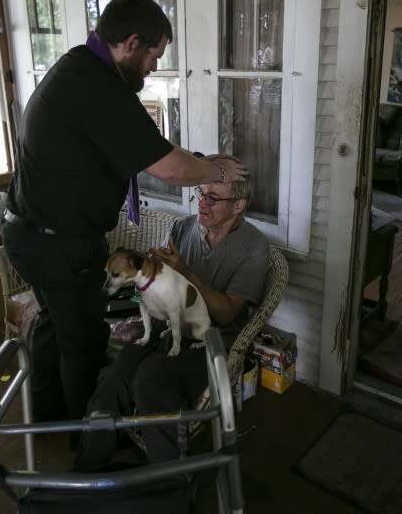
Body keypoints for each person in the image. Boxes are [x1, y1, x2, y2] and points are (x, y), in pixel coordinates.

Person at [0, 0, 248, 427]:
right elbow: (169, 168)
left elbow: (156, 148)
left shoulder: (82, 69)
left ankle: (46, 415)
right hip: (57, 243)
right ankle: (85, 440)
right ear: (131, 43)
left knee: (54, 328)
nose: (154, 68)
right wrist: (217, 171)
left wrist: (202, 161)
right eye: (154, 55)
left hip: (32, 234)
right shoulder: (98, 87)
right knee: (83, 340)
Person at [73, 179, 269, 472]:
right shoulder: (184, 228)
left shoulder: (254, 247)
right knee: (116, 373)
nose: (202, 202)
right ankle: (86, 471)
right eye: (201, 192)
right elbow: (153, 274)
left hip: (214, 339)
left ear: (238, 206)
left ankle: (171, 485)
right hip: (168, 326)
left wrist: (187, 272)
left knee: (153, 379)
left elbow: (227, 314)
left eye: (213, 197)